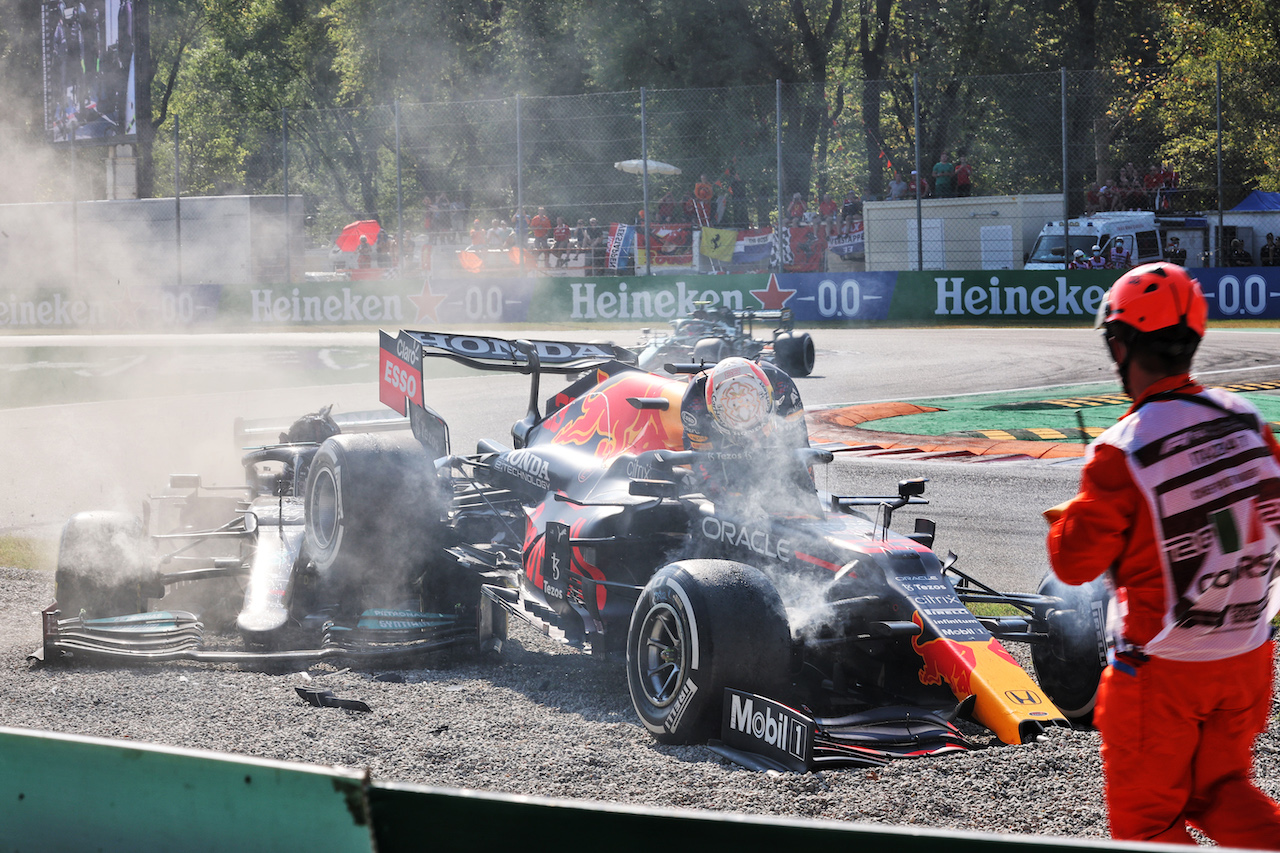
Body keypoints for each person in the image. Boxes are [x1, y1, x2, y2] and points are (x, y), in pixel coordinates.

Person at [1045, 262, 1280, 848]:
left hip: (1162, 670)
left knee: (1148, 828)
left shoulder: (1119, 451)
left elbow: (1073, 564)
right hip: (1248, 656)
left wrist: (1065, 519)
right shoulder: (1250, 422)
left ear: (1120, 345)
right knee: (1222, 795)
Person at [680, 357, 814, 507]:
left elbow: (800, 447)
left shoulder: (783, 386)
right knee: (723, 486)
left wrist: (806, 498)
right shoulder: (694, 405)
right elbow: (703, 465)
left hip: (769, 407)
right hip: (714, 434)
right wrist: (727, 502)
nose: (753, 438)